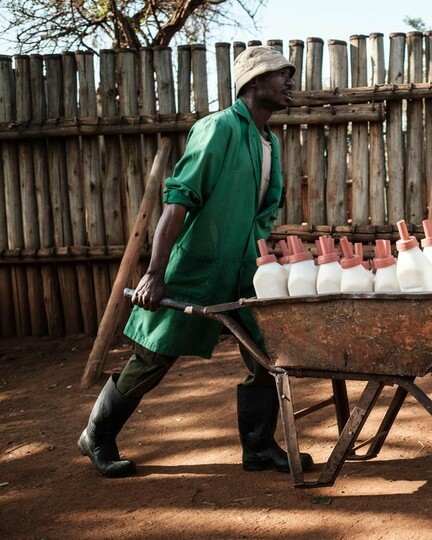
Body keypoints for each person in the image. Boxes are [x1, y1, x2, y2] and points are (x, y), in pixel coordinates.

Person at [78, 46, 313, 478]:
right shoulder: (218, 128)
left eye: (290, 74)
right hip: (195, 269)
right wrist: (154, 273)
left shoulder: (269, 142)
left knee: (266, 354)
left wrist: (265, 261)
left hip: (245, 272)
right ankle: (97, 434)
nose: (290, 82)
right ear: (254, 82)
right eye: (281, 75)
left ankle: (258, 448)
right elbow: (177, 202)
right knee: (153, 358)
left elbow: (262, 213)